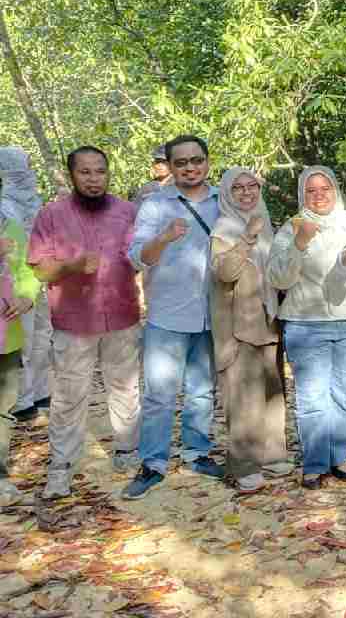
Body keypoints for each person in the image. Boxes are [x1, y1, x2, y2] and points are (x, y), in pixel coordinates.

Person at [29, 146, 143, 499]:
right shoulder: (51, 215)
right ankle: (61, 466)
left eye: (100, 171)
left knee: (125, 389)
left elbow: (142, 257)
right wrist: (71, 266)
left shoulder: (128, 212)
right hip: (74, 322)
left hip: (122, 315)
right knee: (69, 397)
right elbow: (39, 269)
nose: (94, 179)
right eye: (85, 172)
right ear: (72, 175)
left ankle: (127, 450)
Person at [123, 135, 223, 499]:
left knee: (202, 391)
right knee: (159, 395)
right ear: (170, 166)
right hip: (167, 315)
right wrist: (163, 238)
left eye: (196, 160)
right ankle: (153, 463)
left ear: (207, 162)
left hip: (213, 314)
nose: (190, 168)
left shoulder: (223, 201)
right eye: (181, 162)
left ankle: (197, 453)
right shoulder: (154, 205)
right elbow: (137, 258)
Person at [268, 166, 346, 490]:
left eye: (325, 188)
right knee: (312, 399)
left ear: (335, 190)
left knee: (344, 395)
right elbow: (278, 278)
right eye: (311, 190)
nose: (319, 195)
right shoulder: (293, 226)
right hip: (305, 324)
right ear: (302, 195)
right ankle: (315, 463)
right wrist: (300, 243)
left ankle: (339, 457)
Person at [209, 168, 292, 494]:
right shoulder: (224, 229)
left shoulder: (264, 221)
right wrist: (246, 238)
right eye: (238, 188)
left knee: (271, 390)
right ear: (227, 194)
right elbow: (225, 273)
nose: (246, 193)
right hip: (237, 323)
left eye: (251, 186)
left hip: (267, 319)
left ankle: (272, 455)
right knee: (244, 396)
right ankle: (245, 465)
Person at [0, 147, 52, 423]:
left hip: (40, 275)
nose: (29, 170)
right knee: (24, 340)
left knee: (43, 336)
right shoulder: (4, 206)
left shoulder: (33, 200)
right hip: (17, 281)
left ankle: (41, 391)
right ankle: (22, 401)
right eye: (25, 164)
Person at [0, 198, 40, 505]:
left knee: (3, 410)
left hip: (6, 338)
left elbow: (28, 271)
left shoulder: (9, 225)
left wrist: (26, 296)